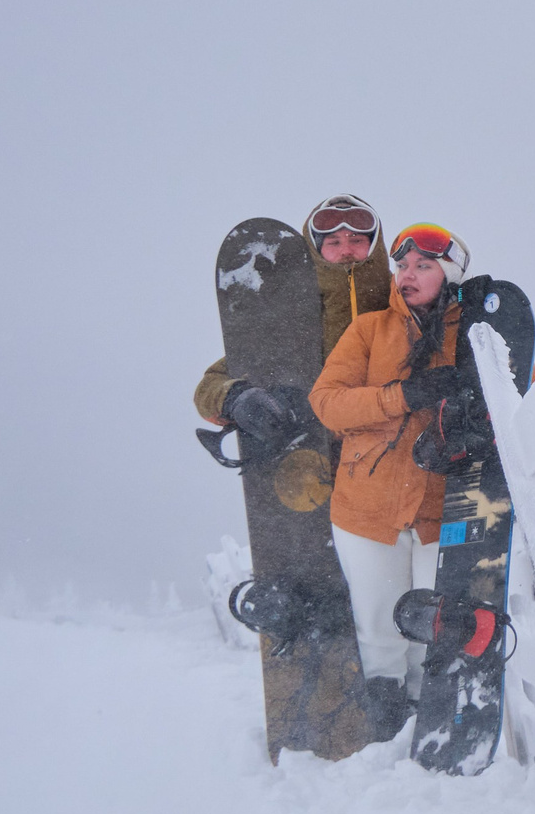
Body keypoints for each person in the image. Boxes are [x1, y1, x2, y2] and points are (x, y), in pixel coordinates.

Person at [306, 221, 507, 742]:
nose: (407, 276)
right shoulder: (370, 330)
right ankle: (384, 726)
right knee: (379, 632)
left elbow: (514, 396)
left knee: (430, 628)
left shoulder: (472, 334)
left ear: (449, 274)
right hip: (366, 512)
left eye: (423, 266)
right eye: (402, 266)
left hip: (442, 513)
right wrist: (403, 395)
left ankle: (427, 727)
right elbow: (327, 402)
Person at [194, 195, 390, 447]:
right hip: (317, 464)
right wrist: (236, 398)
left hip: (394, 458)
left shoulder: (402, 304)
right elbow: (210, 386)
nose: (346, 250)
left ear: (375, 245)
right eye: (333, 242)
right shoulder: (293, 321)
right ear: (315, 250)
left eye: (357, 240)